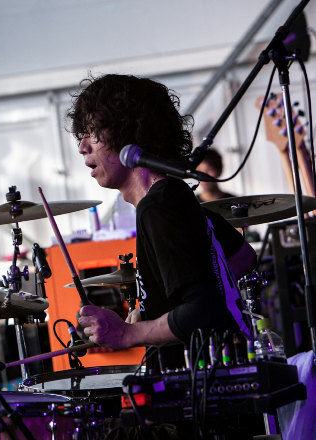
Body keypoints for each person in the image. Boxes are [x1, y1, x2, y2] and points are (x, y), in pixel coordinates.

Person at [69, 74, 257, 364]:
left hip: (200, 381)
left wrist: (127, 333)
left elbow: (203, 313)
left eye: (91, 132)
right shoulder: (173, 196)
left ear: (128, 133)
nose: (82, 147)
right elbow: (243, 256)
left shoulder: (159, 205)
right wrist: (155, 311)